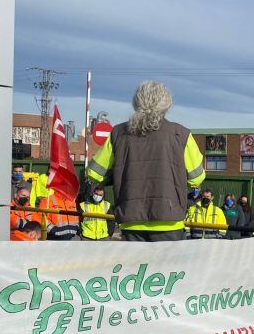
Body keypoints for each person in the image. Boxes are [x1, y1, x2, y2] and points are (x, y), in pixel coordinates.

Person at [86, 80, 206, 242]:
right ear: (167, 104)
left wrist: (117, 175)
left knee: (135, 268)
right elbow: (196, 178)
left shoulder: (119, 133)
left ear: (136, 103)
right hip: (169, 221)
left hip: (131, 221)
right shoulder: (181, 134)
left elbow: (94, 173)